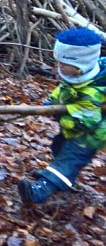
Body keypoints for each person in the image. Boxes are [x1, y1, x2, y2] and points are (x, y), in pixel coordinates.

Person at [18, 28, 106, 204]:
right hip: (75, 132)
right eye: (59, 62)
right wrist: (52, 102)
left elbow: (85, 121)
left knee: (69, 160)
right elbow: (64, 90)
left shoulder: (93, 92)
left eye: (64, 64)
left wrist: (59, 117)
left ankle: (40, 191)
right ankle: (60, 176)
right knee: (58, 147)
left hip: (89, 137)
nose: (60, 67)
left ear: (82, 65)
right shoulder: (78, 76)